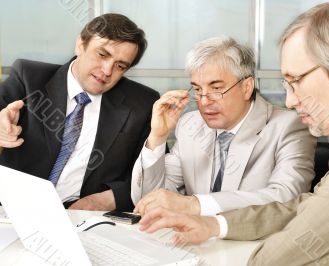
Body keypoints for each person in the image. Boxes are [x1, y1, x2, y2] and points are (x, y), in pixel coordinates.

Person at [138, 2, 329, 265]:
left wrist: (195, 207)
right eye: (197, 89)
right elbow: (309, 205)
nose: (289, 101)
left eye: (296, 80)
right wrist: (215, 225)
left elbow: (291, 251)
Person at [131, 36, 316, 217]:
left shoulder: (289, 126)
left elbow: (287, 199)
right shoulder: (191, 124)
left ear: (246, 87)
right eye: (197, 89)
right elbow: (147, 200)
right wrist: (158, 136)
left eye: (216, 88)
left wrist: (196, 204)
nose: (204, 101)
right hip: (194, 241)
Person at [0, 13, 159, 212]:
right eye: (102, 54)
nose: (107, 71)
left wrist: (108, 199)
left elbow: (153, 173)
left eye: (120, 66)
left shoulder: (142, 102)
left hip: (83, 218)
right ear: (80, 45)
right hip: (11, 209)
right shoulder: (28, 77)